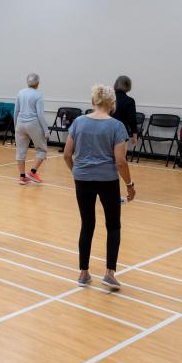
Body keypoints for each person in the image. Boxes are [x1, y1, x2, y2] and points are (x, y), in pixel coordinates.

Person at [63, 84, 136, 290]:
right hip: (107, 181)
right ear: (112, 103)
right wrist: (129, 185)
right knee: (113, 225)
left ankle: (83, 273)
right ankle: (109, 273)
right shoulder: (116, 126)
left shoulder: (78, 122)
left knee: (87, 224)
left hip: (83, 179)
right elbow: (120, 161)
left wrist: (77, 172)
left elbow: (67, 155)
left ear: (93, 101)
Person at [14, 73, 48, 185]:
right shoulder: (38, 95)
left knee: (20, 151)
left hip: (20, 123)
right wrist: (46, 130)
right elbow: (40, 115)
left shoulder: (20, 92)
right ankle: (33, 172)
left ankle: (22, 177)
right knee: (41, 149)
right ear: (38, 83)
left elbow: (16, 111)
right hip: (33, 124)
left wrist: (16, 125)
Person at [111, 75, 139, 146]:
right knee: (121, 155)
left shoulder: (109, 98)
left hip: (106, 131)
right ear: (128, 86)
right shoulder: (129, 101)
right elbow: (131, 119)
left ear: (116, 84)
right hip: (121, 132)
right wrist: (135, 135)